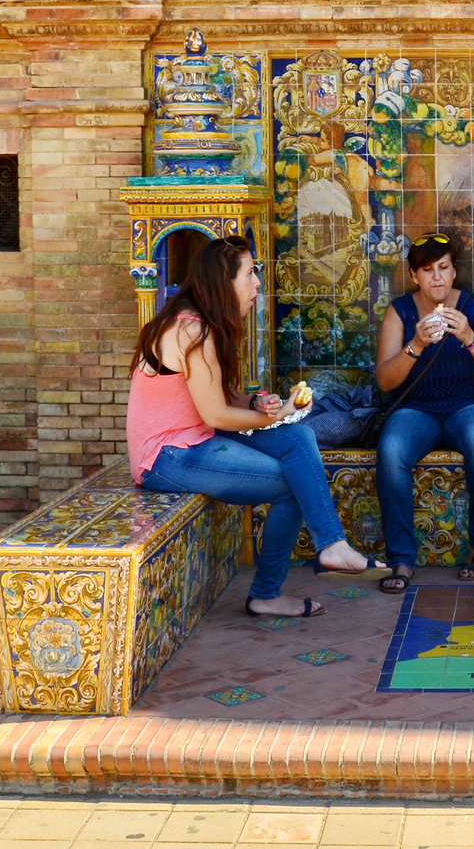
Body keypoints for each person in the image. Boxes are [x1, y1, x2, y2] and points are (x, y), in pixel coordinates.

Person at [128, 236, 390, 619]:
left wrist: (257, 405)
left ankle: (332, 544)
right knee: (290, 484)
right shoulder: (191, 332)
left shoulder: (201, 324)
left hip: (195, 437)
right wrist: (278, 414)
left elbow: (220, 398)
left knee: (299, 437)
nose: (256, 284)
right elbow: (216, 415)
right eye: (250, 274)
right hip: (167, 455)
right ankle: (269, 591)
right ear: (224, 280)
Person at [372, 233, 474, 593]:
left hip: (471, 404)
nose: (437, 277)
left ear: (453, 272)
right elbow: (386, 380)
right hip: (417, 408)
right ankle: (402, 557)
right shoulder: (400, 310)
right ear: (415, 275)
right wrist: (415, 344)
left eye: (444, 268)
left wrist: (469, 338)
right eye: (428, 270)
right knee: (391, 451)